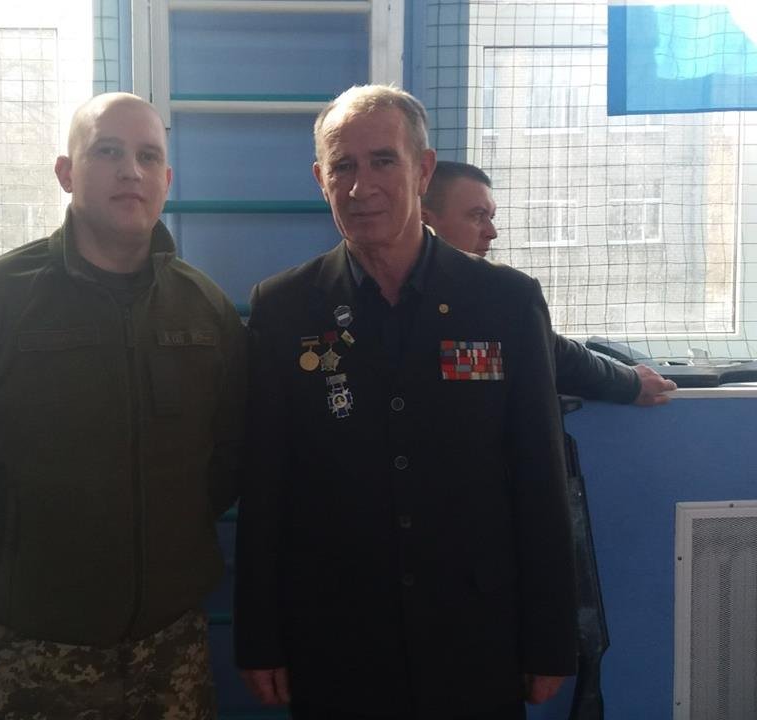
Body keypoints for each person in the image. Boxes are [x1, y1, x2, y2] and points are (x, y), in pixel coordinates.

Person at [0, 92, 247, 719]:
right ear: (66, 172)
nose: (130, 171)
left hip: (171, 657)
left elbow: (234, 453)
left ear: (166, 180)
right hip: (32, 658)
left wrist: (168, 531)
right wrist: (3, 546)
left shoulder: (204, 310)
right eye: (108, 151)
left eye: (147, 156)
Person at [234, 84, 577, 720]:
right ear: (321, 180)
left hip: (475, 634)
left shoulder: (504, 302)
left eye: (383, 161)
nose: (361, 186)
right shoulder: (284, 308)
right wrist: (259, 636)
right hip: (336, 639)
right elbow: (265, 485)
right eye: (343, 166)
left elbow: (540, 477)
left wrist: (553, 636)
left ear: (422, 170)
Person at [421, 160, 677, 406]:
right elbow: (543, 357)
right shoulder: (488, 296)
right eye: (477, 216)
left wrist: (628, 381)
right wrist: (628, 382)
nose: (492, 232)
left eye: (491, 217)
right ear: (425, 222)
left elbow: (543, 353)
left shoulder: (498, 294)